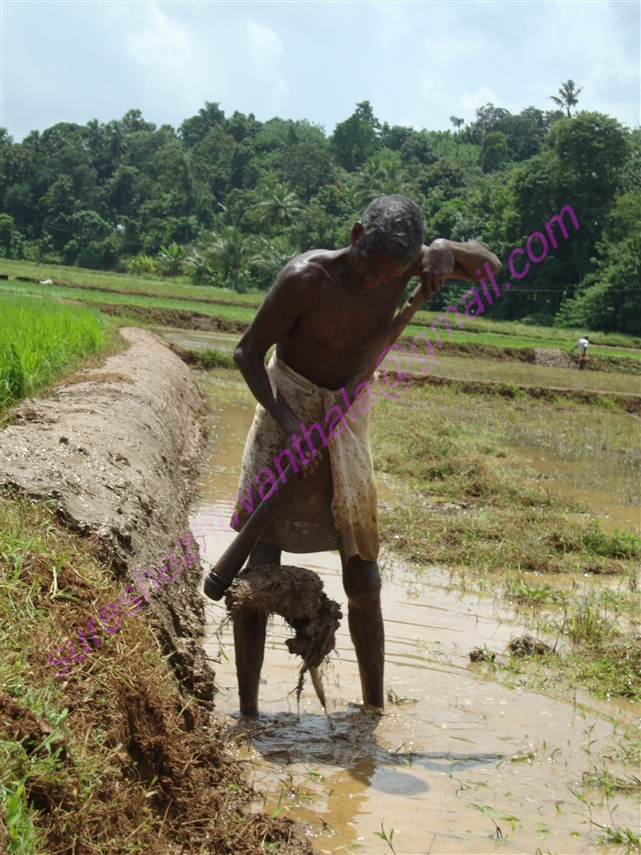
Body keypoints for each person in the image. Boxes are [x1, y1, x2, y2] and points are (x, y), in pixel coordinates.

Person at [230, 194, 500, 716]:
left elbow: (491, 268)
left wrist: (448, 248)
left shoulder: (414, 264)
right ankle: (248, 712)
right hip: (287, 406)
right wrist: (290, 425)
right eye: (366, 268)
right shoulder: (306, 278)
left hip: (348, 413)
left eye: (386, 277)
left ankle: (373, 710)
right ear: (356, 235)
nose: (372, 283)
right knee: (260, 565)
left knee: (363, 575)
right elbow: (247, 353)